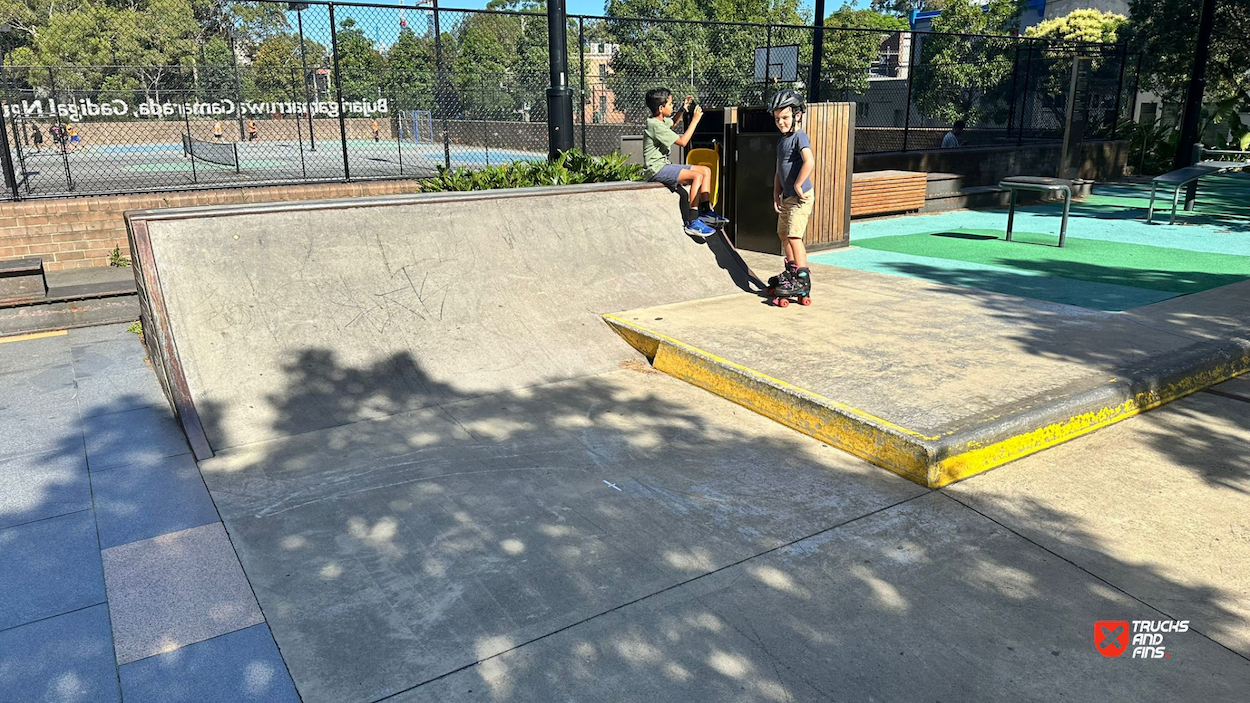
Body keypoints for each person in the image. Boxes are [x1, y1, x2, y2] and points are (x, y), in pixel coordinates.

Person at [641, 87, 727, 238]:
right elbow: (682, 141)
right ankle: (692, 220)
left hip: (664, 165)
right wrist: (694, 120)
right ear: (661, 108)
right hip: (655, 170)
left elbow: (672, 123)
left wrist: (682, 108)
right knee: (696, 176)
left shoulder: (659, 121)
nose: (672, 106)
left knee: (705, 170)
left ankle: (706, 211)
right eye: (671, 104)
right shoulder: (654, 125)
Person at [766, 89, 814, 304]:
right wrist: (776, 192)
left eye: (785, 118)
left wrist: (797, 184)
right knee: (784, 234)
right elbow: (779, 169)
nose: (780, 123)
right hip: (786, 197)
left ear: (797, 115)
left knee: (794, 236)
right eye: (777, 119)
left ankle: (803, 279)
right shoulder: (781, 141)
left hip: (800, 197)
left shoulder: (799, 136)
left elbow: (809, 161)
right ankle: (791, 273)